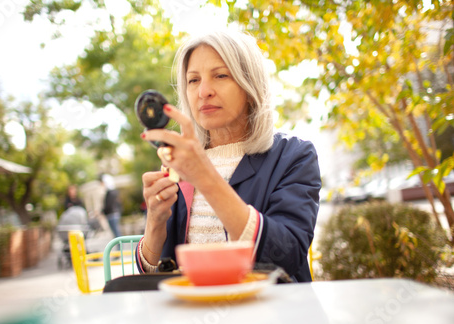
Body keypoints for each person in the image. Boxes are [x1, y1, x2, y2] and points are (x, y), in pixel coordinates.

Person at [136, 30, 321, 282]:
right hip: (191, 314)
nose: (204, 91)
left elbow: (286, 256)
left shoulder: (293, 155)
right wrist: (154, 223)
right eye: (193, 80)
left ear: (250, 85)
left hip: (269, 315)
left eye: (220, 75)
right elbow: (153, 272)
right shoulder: (179, 163)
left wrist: (205, 177)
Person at [100, 174, 122, 238]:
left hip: (111, 215)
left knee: (116, 233)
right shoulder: (114, 192)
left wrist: (103, 211)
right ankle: (119, 246)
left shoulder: (110, 193)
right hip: (114, 214)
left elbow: (108, 205)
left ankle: (120, 247)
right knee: (116, 232)